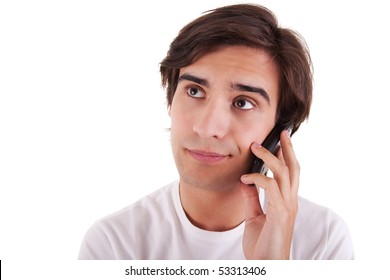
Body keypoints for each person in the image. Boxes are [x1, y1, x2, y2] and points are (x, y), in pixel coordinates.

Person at [78, 3, 354, 260]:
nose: (207, 128)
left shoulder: (324, 241)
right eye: (194, 91)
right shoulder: (113, 245)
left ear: (281, 129)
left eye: (243, 102)